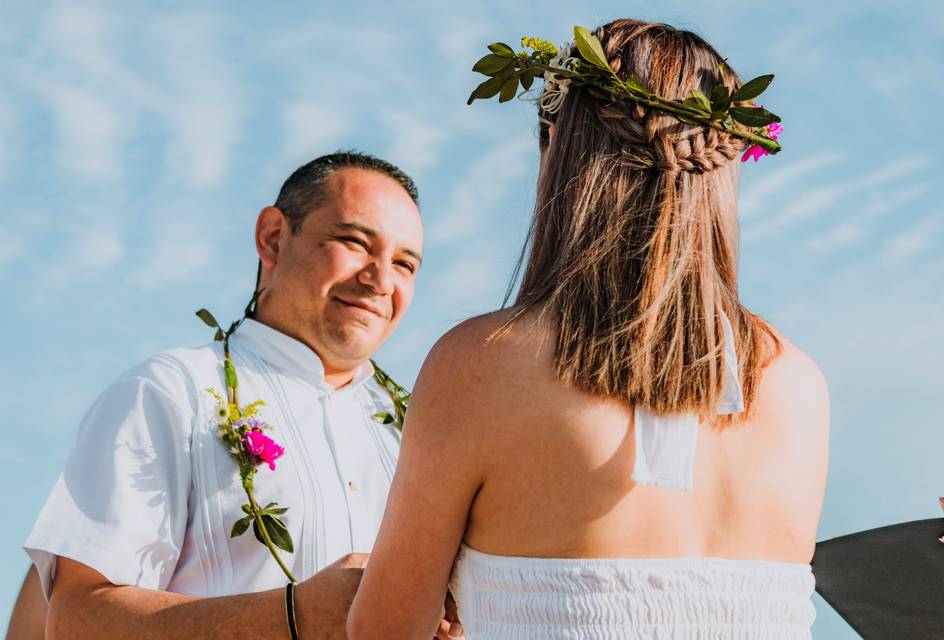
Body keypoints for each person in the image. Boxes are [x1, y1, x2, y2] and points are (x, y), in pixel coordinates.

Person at [347, 19, 830, 639]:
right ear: (721, 163)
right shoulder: (799, 386)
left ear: (558, 145)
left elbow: (383, 633)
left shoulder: (482, 365)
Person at [21, 151, 460, 639]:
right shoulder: (167, 393)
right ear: (272, 238)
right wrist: (294, 616)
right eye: (354, 242)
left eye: (404, 264)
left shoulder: (427, 432)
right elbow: (76, 622)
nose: (380, 281)